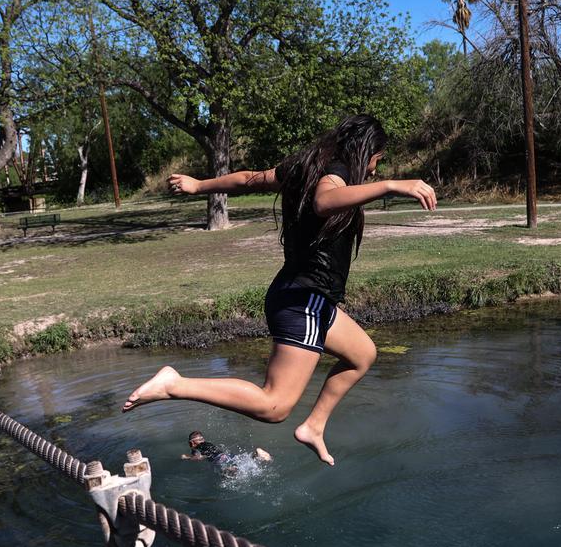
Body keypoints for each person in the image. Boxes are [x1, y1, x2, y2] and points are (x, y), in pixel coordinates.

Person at [122, 114, 437, 465]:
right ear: (364, 152)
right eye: (377, 161)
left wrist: (199, 185)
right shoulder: (335, 173)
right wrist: (393, 186)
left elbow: (246, 180)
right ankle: (174, 384)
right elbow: (325, 201)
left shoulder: (304, 167)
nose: (375, 171)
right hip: (305, 301)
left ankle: (313, 427)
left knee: (362, 354)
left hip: (301, 296)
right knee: (274, 406)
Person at [183, 430, 273, 469]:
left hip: (218, 459)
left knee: (226, 474)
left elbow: (198, 457)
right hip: (226, 455)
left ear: (192, 443)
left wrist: (187, 458)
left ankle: (231, 469)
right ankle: (256, 454)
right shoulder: (207, 444)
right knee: (243, 461)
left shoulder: (196, 448)